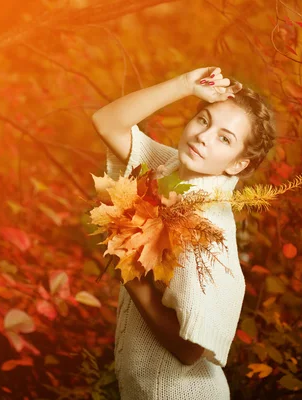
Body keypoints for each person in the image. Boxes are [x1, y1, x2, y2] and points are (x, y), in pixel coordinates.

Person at [91, 66, 277, 399]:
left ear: (238, 164)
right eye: (204, 120)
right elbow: (107, 122)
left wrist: (132, 276)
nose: (203, 137)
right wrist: (186, 83)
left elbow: (191, 350)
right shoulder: (171, 169)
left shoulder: (208, 225)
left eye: (225, 138)